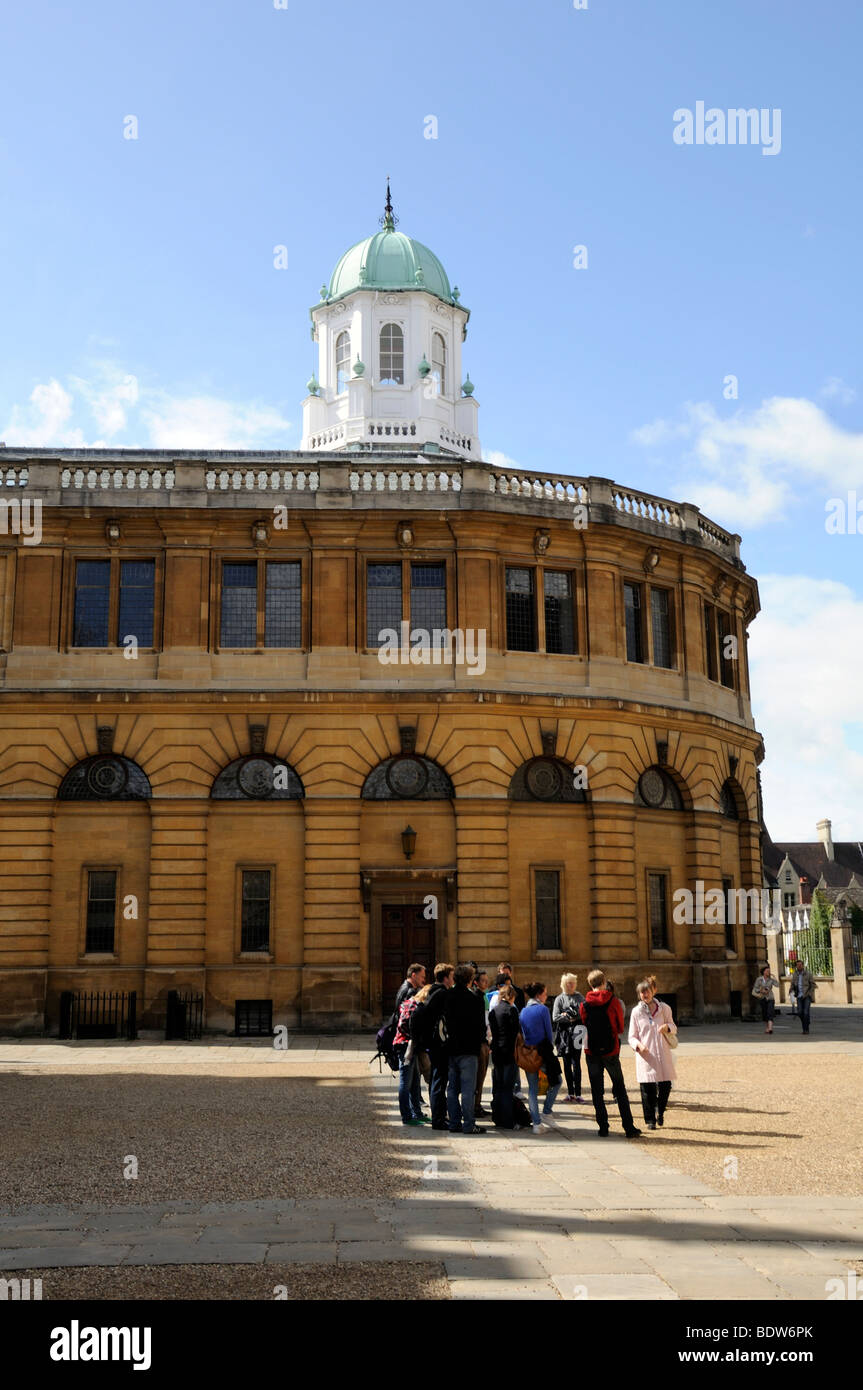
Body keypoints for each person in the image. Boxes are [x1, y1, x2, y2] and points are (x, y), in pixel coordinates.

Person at [580, 968, 641, 1138]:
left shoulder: (583, 1005)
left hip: (591, 1051)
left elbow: (584, 1025)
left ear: (590, 984)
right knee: (620, 1089)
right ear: (604, 982)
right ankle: (628, 1127)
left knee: (597, 1091)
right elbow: (620, 1027)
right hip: (611, 1050)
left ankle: (603, 1127)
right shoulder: (613, 1001)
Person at [443, 964, 487, 1134]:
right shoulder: (475, 999)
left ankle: (454, 1123)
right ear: (470, 980)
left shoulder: (449, 996)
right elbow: (480, 1026)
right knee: (468, 1089)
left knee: (452, 1088)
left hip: (452, 1046)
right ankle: (468, 1124)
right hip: (469, 1049)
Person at [628, 978, 677, 1129]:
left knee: (665, 1085)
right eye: (642, 992)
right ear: (639, 995)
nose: (645, 994)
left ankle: (660, 1111)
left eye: (647, 991)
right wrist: (638, 1046)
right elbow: (631, 1036)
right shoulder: (636, 1012)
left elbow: (674, 1027)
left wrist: (667, 1027)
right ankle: (650, 1120)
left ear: (653, 991)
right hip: (646, 1055)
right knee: (647, 1088)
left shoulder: (664, 1008)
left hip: (662, 1053)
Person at [414, 962, 454, 1128]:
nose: (453, 980)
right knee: (439, 1081)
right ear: (445, 978)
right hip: (440, 1044)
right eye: (451, 977)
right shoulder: (442, 994)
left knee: (437, 1081)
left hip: (433, 1043)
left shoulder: (432, 991)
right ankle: (438, 1118)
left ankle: (439, 1116)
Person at [520, 982, 563, 1132]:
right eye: (545, 993)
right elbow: (549, 1033)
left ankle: (536, 1124)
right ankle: (546, 1111)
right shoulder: (543, 1010)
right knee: (557, 1081)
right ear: (539, 995)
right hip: (542, 1051)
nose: (546, 996)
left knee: (532, 1088)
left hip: (528, 1053)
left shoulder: (523, 1011)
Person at [489, 982, 522, 1129]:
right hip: (509, 1052)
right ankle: (508, 1121)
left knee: (498, 1086)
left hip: (497, 1051)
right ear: (511, 996)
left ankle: (497, 1117)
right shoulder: (511, 1011)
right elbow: (516, 1032)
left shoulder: (493, 1011)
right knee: (508, 1088)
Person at [393, 989, 427, 1125]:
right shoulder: (413, 1006)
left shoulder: (409, 1003)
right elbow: (406, 1027)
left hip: (410, 1046)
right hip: (406, 1046)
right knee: (405, 1083)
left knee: (414, 1082)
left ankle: (417, 1113)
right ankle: (406, 1116)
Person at [553, 972, 586, 1103]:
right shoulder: (559, 999)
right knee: (566, 1063)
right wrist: (568, 1017)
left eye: (572, 983)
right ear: (563, 984)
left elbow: (584, 1013)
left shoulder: (579, 997)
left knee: (576, 1062)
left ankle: (578, 1093)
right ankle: (570, 1092)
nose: (571, 985)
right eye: (568, 983)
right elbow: (555, 1017)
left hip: (578, 1032)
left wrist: (571, 1016)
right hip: (564, 1034)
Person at [472, 969, 492, 1116]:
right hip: (481, 1042)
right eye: (483, 980)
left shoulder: (484, 995)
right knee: (479, 1075)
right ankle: (475, 1105)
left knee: (482, 1075)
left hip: (484, 1040)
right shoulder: (478, 997)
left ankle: (477, 1104)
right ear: (476, 982)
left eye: (487, 980)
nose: (486, 983)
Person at [751, 964, 780, 1034]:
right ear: (763, 972)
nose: (768, 972)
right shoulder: (759, 979)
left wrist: (774, 978)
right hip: (762, 998)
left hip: (770, 998)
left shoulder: (771, 979)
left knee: (770, 1012)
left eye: (769, 971)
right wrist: (761, 991)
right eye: (767, 971)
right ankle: (767, 1027)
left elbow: (777, 985)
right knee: (765, 1013)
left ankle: (770, 1028)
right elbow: (755, 988)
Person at [789, 959, 815, 1034]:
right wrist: (791, 990)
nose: (799, 966)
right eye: (797, 965)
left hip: (807, 996)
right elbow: (793, 984)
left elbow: (813, 985)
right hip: (799, 996)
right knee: (800, 1012)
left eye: (800, 965)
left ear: (803, 965)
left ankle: (805, 1029)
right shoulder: (795, 974)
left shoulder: (808, 974)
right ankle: (807, 1021)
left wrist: (809, 993)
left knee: (806, 1012)